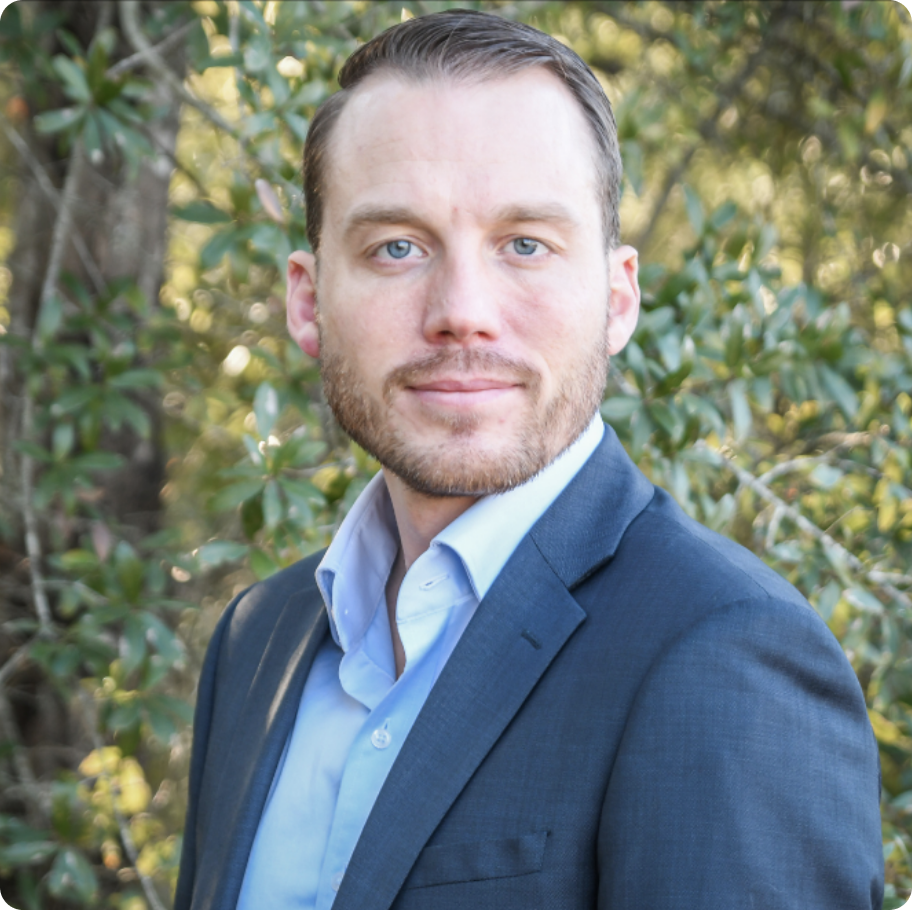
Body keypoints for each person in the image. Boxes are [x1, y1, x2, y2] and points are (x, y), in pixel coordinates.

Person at [174, 10, 884, 910]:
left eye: (525, 245)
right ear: (309, 302)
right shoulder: (257, 642)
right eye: (397, 247)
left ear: (617, 299)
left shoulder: (725, 654)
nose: (462, 311)